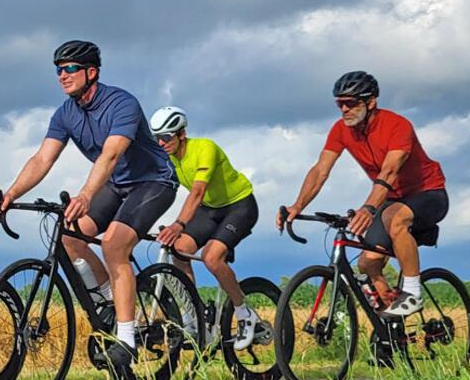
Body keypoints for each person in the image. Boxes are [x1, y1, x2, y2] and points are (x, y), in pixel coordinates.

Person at [0, 40, 178, 380]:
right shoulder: (65, 113)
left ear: (92, 72)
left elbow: (110, 155)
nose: (62, 75)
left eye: (70, 68)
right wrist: (11, 194)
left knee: (113, 243)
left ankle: (126, 338)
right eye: (58, 70)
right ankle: (109, 296)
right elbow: (42, 159)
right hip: (116, 183)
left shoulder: (122, 103)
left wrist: (86, 194)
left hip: (153, 182)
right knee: (69, 235)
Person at [278, 71, 448, 317]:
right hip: (391, 198)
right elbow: (320, 170)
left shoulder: (397, 126)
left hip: (428, 192)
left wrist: (368, 208)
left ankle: (412, 293)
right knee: (367, 263)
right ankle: (390, 323)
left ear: (371, 102)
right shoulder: (340, 130)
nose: (344, 109)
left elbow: (390, 171)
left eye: (351, 103)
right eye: (339, 104)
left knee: (394, 218)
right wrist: (297, 206)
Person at [148, 107, 262, 350]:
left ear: (182, 134)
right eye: (157, 138)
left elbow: (197, 192)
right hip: (211, 209)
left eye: (167, 137)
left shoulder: (204, 148)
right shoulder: (169, 157)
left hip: (239, 206)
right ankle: (195, 316)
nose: (162, 143)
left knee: (211, 257)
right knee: (179, 249)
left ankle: (244, 314)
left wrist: (178, 224)